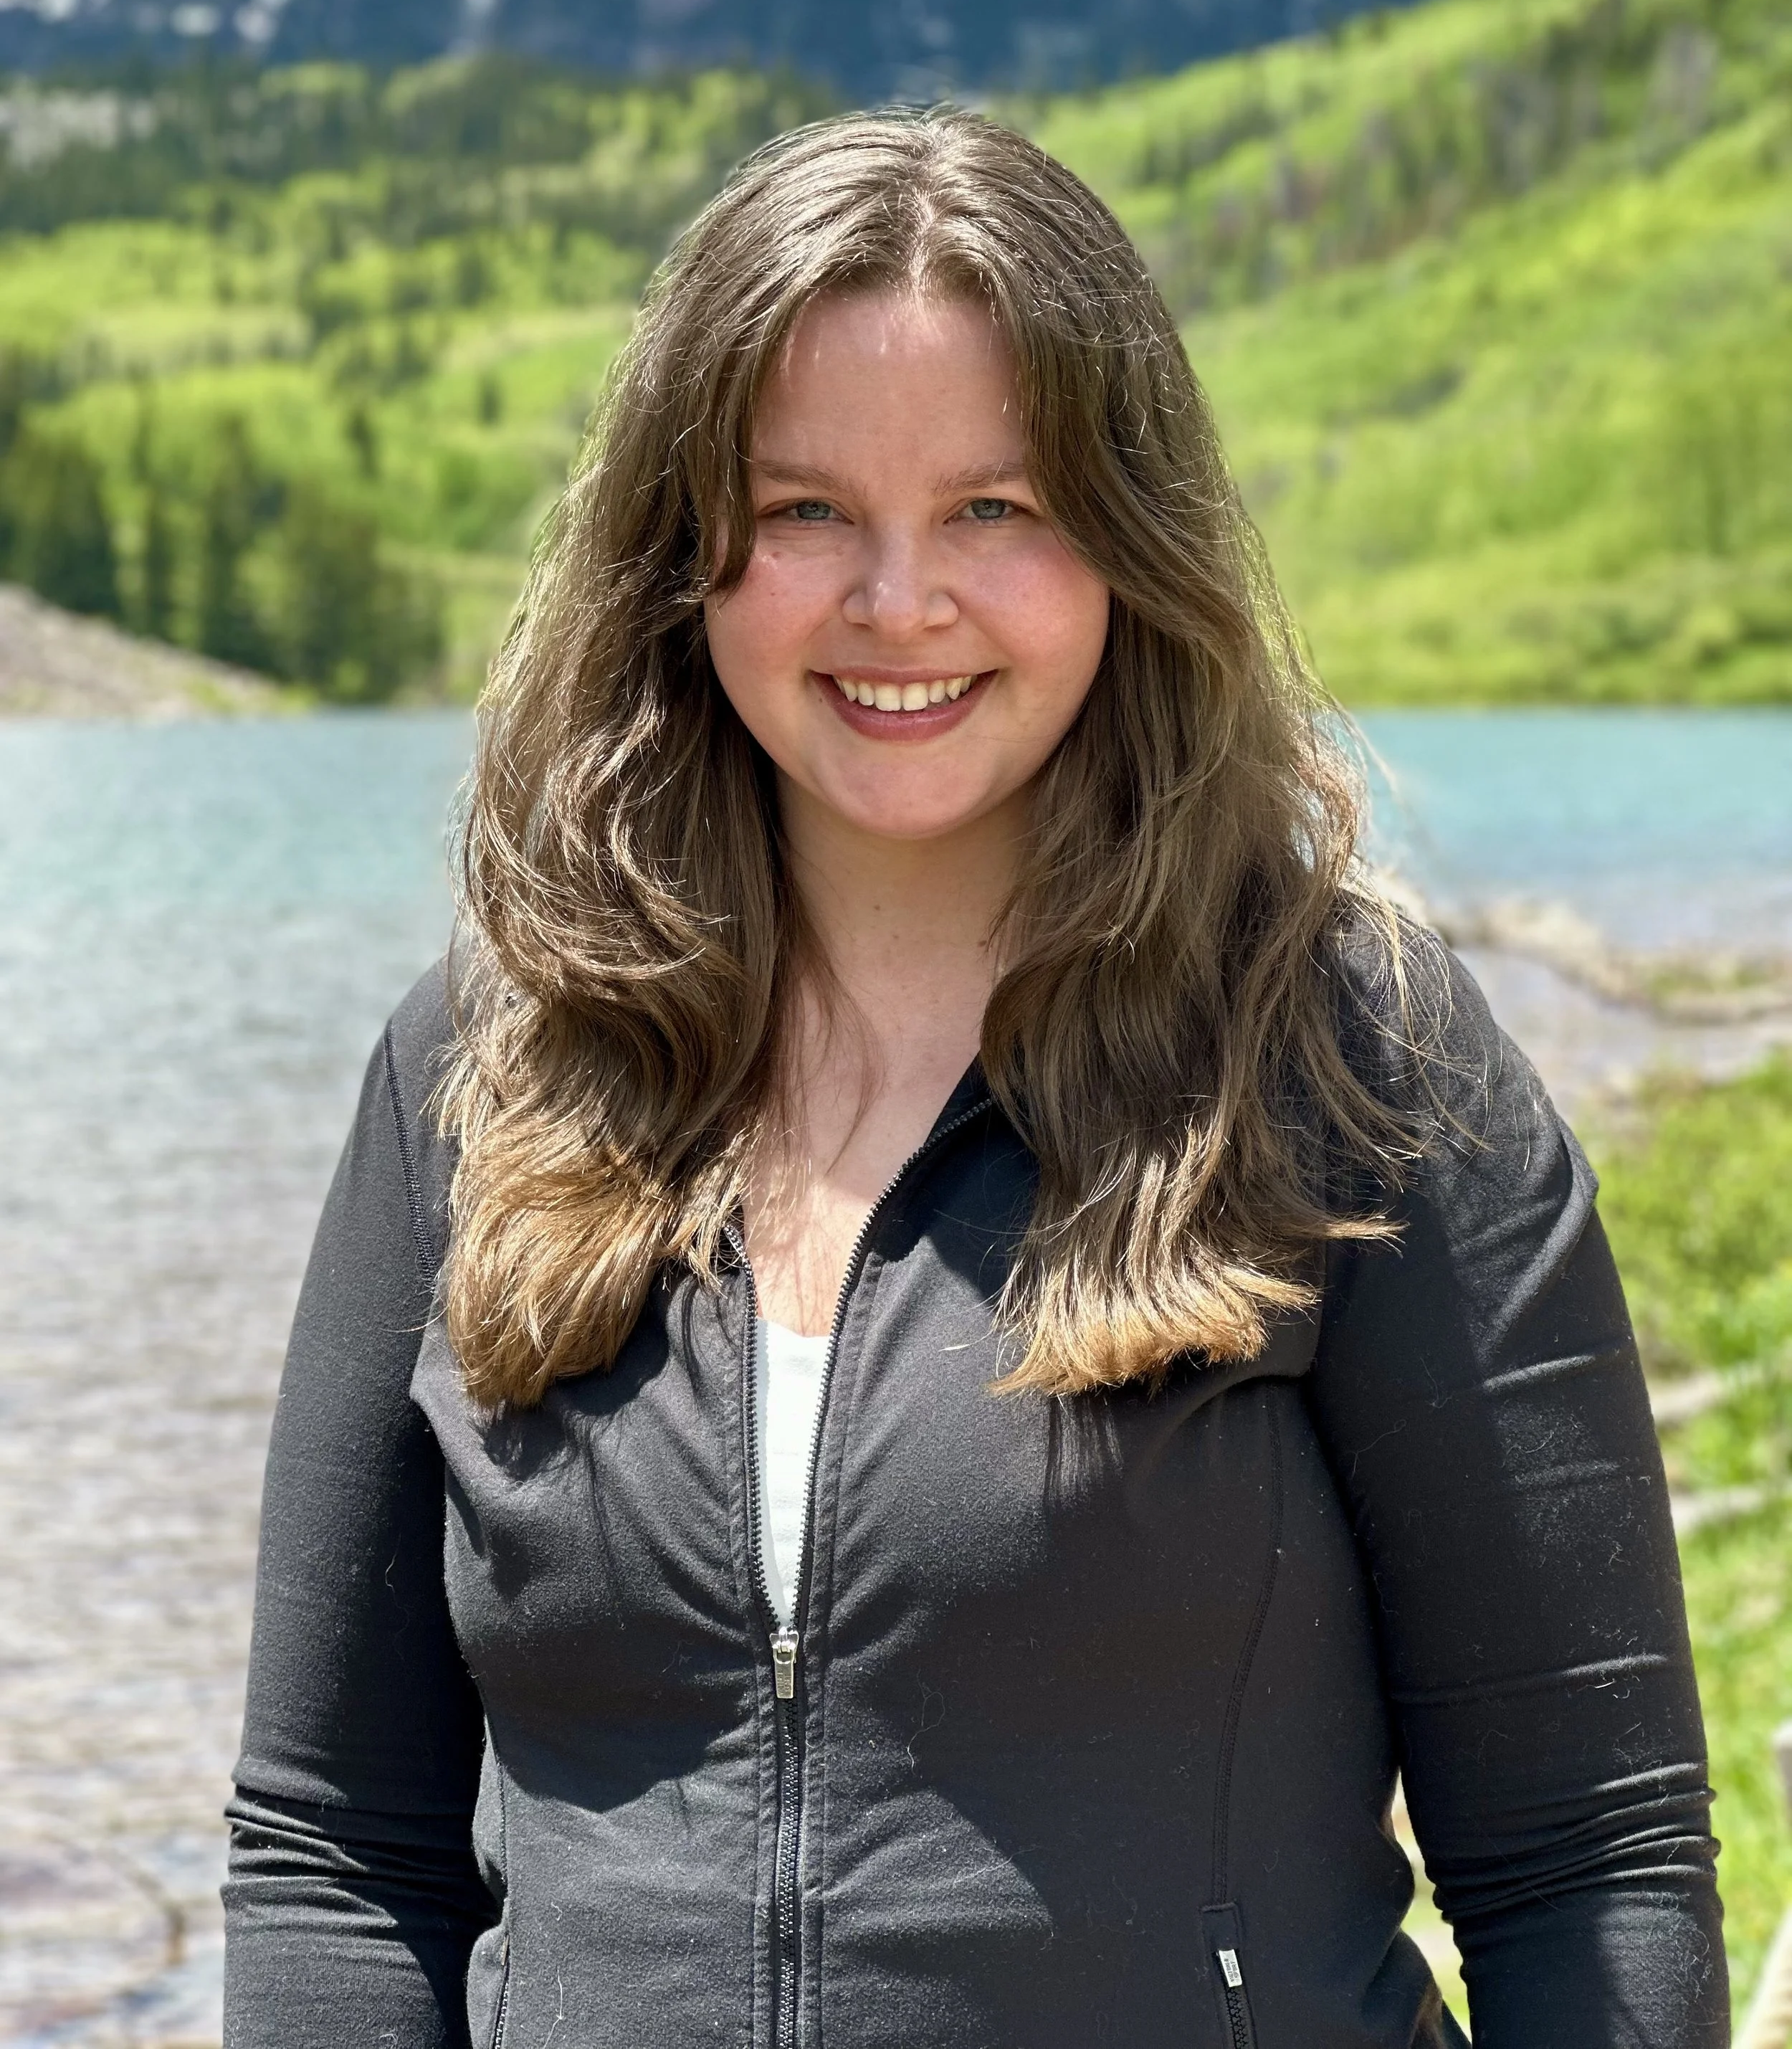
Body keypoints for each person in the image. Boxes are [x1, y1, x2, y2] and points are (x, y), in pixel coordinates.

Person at [222, 110, 1724, 2049]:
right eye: (804, 511)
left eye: (994, 508)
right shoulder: (484, 1068)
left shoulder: (1348, 1057)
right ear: (683, 554)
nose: (897, 601)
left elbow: (1584, 1863)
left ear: (1125, 538)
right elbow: (337, 1856)